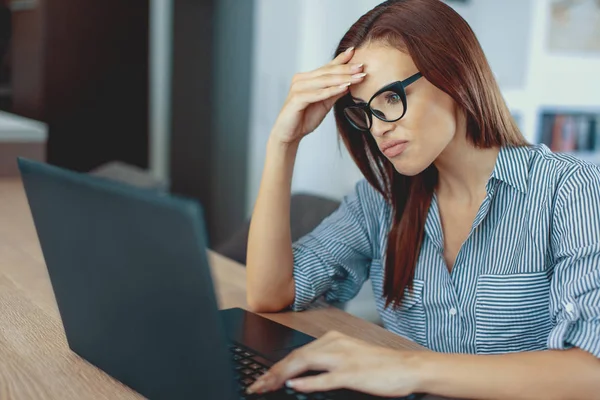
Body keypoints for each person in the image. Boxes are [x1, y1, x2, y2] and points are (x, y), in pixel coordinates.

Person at [245, 0, 600, 398]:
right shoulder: (380, 200)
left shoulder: (572, 190)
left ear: (453, 75)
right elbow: (271, 293)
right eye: (364, 111)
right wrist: (283, 142)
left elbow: (592, 372)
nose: (378, 130)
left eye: (391, 98)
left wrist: (408, 368)